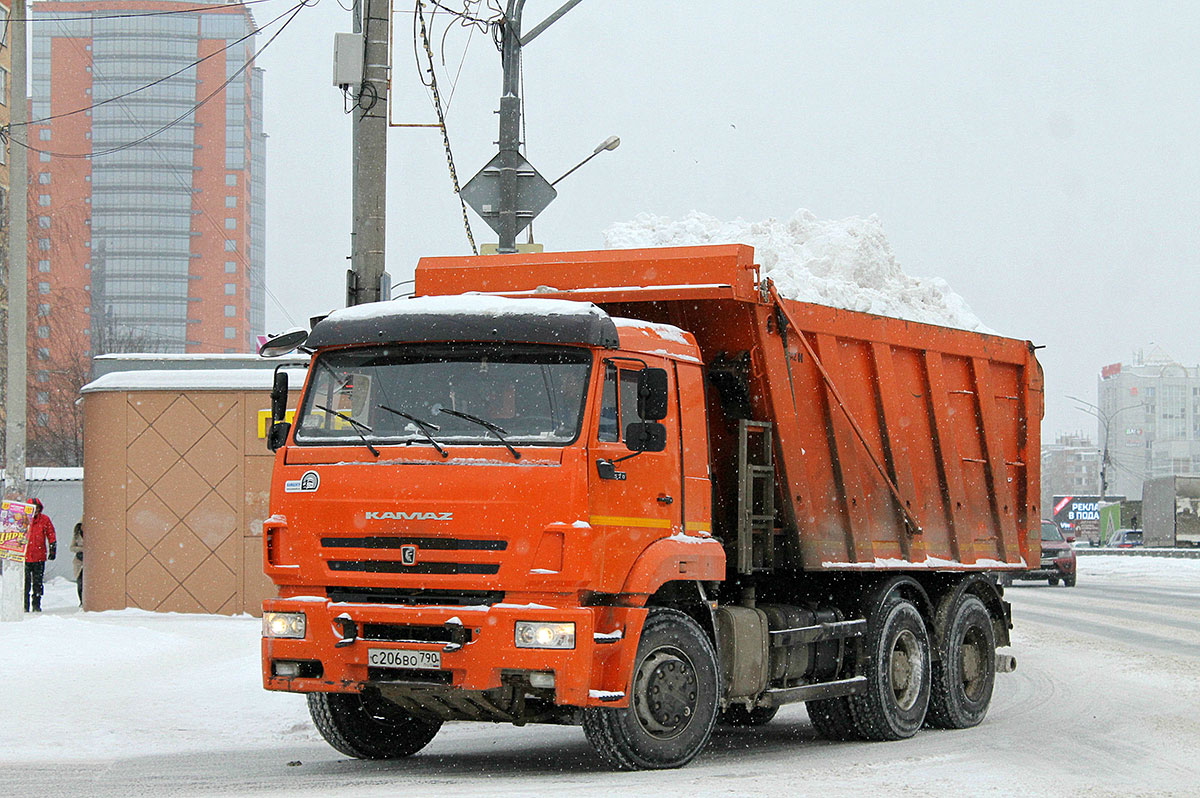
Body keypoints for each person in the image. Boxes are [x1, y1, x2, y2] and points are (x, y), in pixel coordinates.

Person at [24, 498, 56, 613]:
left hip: (39, 557)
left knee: (38, 583)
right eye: (33, 508)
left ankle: (36, 605)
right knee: (25, 584)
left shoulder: (44, 520)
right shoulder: (22, 519)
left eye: (37, 507)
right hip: (24, 557)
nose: (35, 510)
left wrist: (53, 547)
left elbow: (50, 533)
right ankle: (24, 606)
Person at [70, 522, 84, 606]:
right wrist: (82, 549)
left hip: (90, 561)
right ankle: (81, 601)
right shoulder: (77, 535)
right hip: (79, 560)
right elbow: (72, 548)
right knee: (80, 581)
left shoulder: (93, 533)